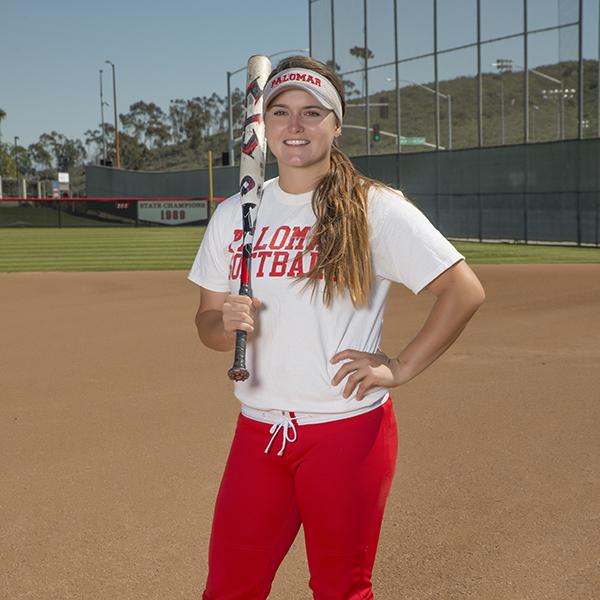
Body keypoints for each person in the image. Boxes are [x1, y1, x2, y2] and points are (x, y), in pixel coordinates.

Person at [188, 55, 485, 600]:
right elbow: (208, 327)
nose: (295, 126)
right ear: (265, 125)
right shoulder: (235, 215)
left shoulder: (375, 208)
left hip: (347, 434)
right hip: (259, 433)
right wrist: (222, 320)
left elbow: (463, 291)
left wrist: (399, 366)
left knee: (339, 591)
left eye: (311, 112)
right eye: (280, 112)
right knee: (229, 589)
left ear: (336, 123)